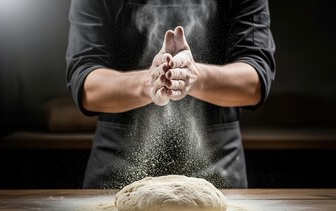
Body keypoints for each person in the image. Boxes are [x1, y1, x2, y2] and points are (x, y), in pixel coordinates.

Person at [66, 0, 275, 189]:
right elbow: (86, 85)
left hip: (218, 171)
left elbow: (254, 82)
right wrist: (148, 83)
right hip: (116, 170)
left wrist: (195, 77)